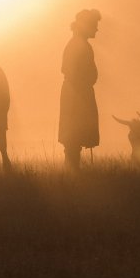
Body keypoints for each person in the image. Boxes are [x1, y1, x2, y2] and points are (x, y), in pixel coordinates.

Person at [59, 9, 101, 169]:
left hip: (76, 93)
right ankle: (72, 172)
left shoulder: (77, 44)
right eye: (94, 25)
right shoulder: (78, 45)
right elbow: (69, 70)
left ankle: (71, 171)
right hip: (77, 95)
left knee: (74, 135)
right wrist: (85, 84)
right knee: (74, 135)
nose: (97, 29)